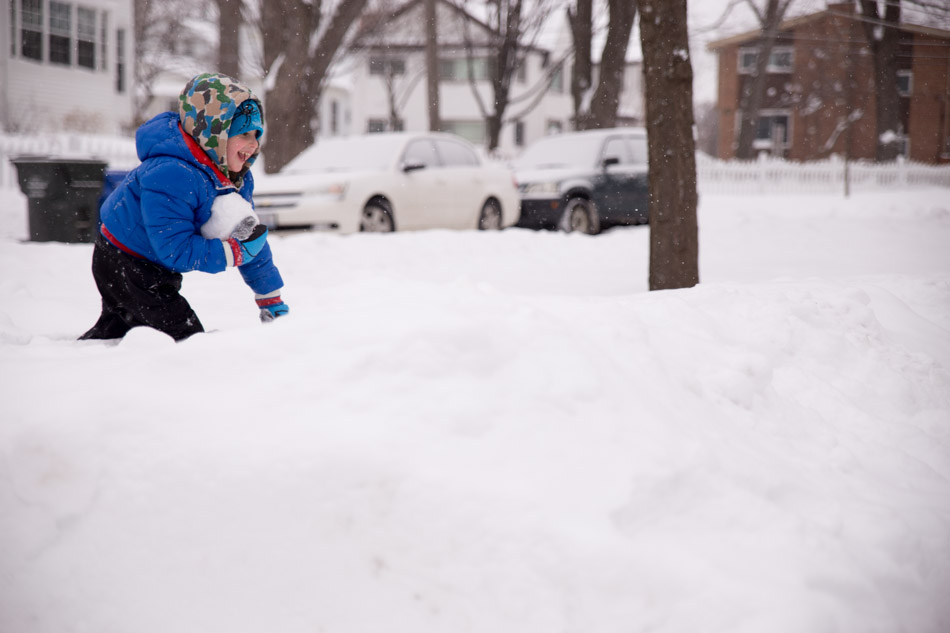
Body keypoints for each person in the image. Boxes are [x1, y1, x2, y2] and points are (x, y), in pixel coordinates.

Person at [80, 72, 289, 342]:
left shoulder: (236, 178)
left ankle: (92, 356)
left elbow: (249, 237)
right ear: (213, 132)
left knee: (121, 330)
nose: (253, 144)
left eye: (256, 134)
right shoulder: (172, 173)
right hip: (125, 261)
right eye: (243, 134)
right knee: (185, 338)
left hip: (154, 264)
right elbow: (174, 250)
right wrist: (231, 254)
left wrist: (270, 298)